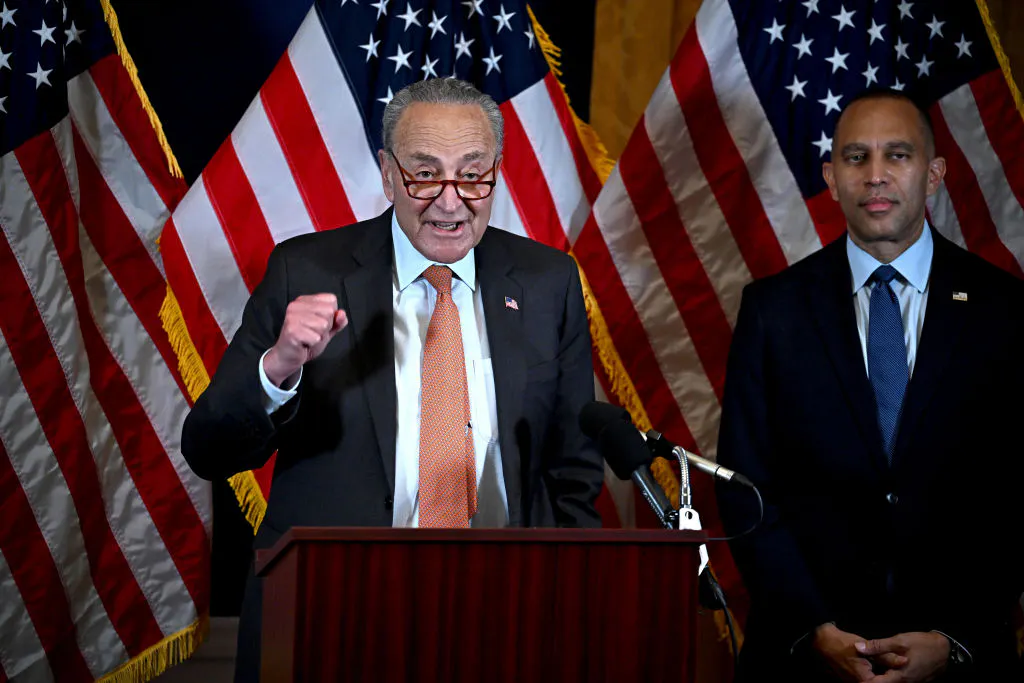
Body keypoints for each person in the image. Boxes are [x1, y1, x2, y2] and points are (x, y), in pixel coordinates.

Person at [181, 78, 604, 681]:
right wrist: (278, 368)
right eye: (425, 175)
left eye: (473, 175)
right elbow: (208, 450)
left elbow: (573, 472)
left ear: (495, 174)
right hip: (334, 609)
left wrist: (574, 604)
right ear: (387, 174)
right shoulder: (307, 270)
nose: (451, 202)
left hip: (502, 610)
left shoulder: (547, 281)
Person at [716, 88, 1024, 682]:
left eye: (897, 155)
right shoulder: (773, 311)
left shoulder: (1005, 310)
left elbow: (1016, 491)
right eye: (856, 157)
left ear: (933, 174)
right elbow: (746, 487)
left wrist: (954, 637)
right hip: (805, 659)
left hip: (960, 657)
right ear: (831, 178)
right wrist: (813, 628)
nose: (875, 175)